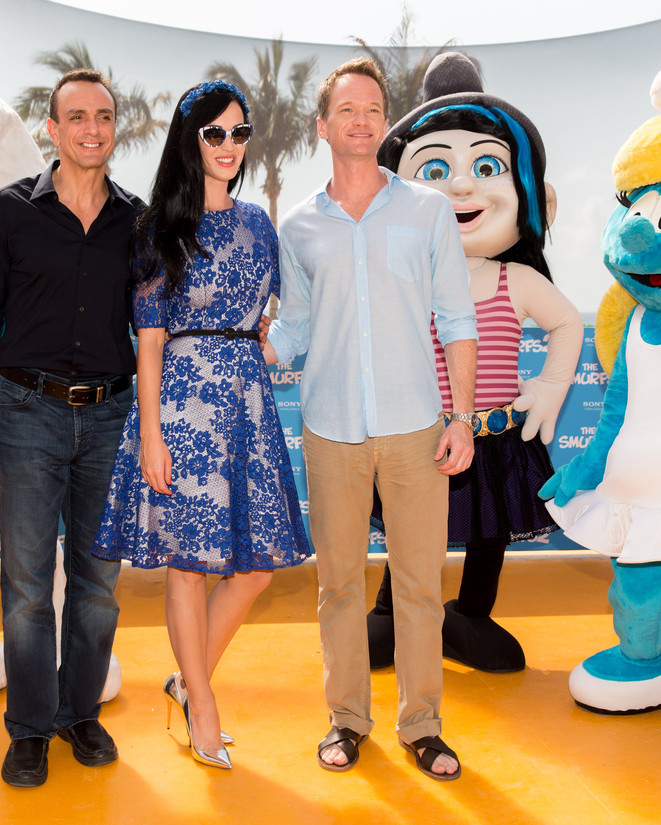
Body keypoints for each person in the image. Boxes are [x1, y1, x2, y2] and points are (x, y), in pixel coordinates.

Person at [265, 58, 478, 781]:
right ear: (322, 126)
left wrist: (462, 417)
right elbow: (294, 326)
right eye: (347, 110)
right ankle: (347, 719)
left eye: (373, 109)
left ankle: (422, 726)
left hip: (418, 426)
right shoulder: (297, 225)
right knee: (338, 587)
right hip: (329, 429)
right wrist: (233, 350)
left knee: (419, 585)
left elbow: (457, 318)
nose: (362, 121)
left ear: (384, 123)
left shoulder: (428, 210)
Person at [91, 80, 311, 771]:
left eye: (240, 133)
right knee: (187, 566)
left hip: (246, 402)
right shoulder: (158, 228)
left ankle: (188, 682)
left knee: (255, 569)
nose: (229, 145)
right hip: (183, 407)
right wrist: (151, 435)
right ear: (190, 141)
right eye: (215, 133)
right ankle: (205, 706)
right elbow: (150, 340)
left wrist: (274, 340)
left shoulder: (260, 225)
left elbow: (294, 305)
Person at [367, 52, 584, 673]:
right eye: (435, 170)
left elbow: (567, 323)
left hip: (493, 434)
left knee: (489, 532)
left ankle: (471, 615)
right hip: (422, 433)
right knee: (414, 531)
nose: (461, 187)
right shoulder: (407, 278)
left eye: (486, 167)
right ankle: (392, 612)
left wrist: (549, 388)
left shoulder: (516, 279)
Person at [0, 68, 143, 788]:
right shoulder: (8, 212)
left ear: (114, 128)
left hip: (112, 418)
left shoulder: (136, 220)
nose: (92, 128)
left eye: (104, 116)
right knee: (29, 585)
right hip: (27, 413)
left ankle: (78, 714)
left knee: (97, 585)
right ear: (53, 128)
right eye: (78, 116)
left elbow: (155, 326)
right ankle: (30, 728)